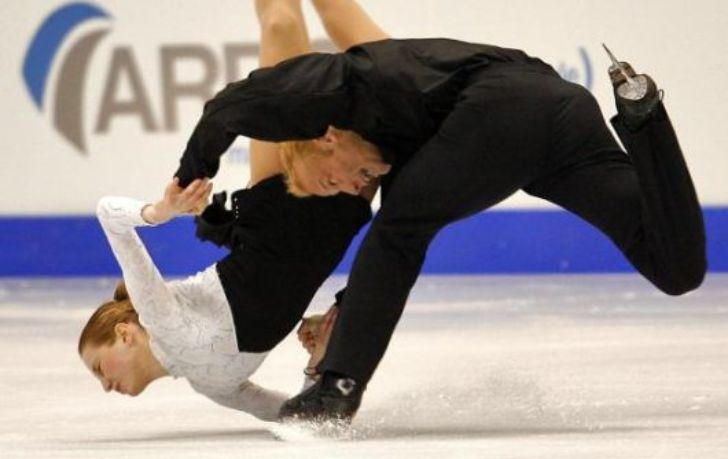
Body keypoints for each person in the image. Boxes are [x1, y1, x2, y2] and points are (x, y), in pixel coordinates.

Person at [172, 2, 707, 422]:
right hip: (561, 113)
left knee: (397, 232)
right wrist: (343, 312)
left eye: (331, 178)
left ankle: (337, 391)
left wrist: (187, 179)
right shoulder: (403, 162)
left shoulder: (351, 84)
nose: (349, 189)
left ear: (327, 137)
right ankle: (644, 117)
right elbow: (391, 250)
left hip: (506, 104)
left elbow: (229, 106)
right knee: (676, 269)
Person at [78, 0, 385, 421]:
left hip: (278, 201)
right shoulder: (214, 387)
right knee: (380, 101)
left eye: (99, 368)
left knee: (280, 26)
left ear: (124, 334)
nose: (105, 386)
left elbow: (108, 214)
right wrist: (316, 366)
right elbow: (295, 418)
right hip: (335, 223)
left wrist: (158, 212)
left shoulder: (156, 313)